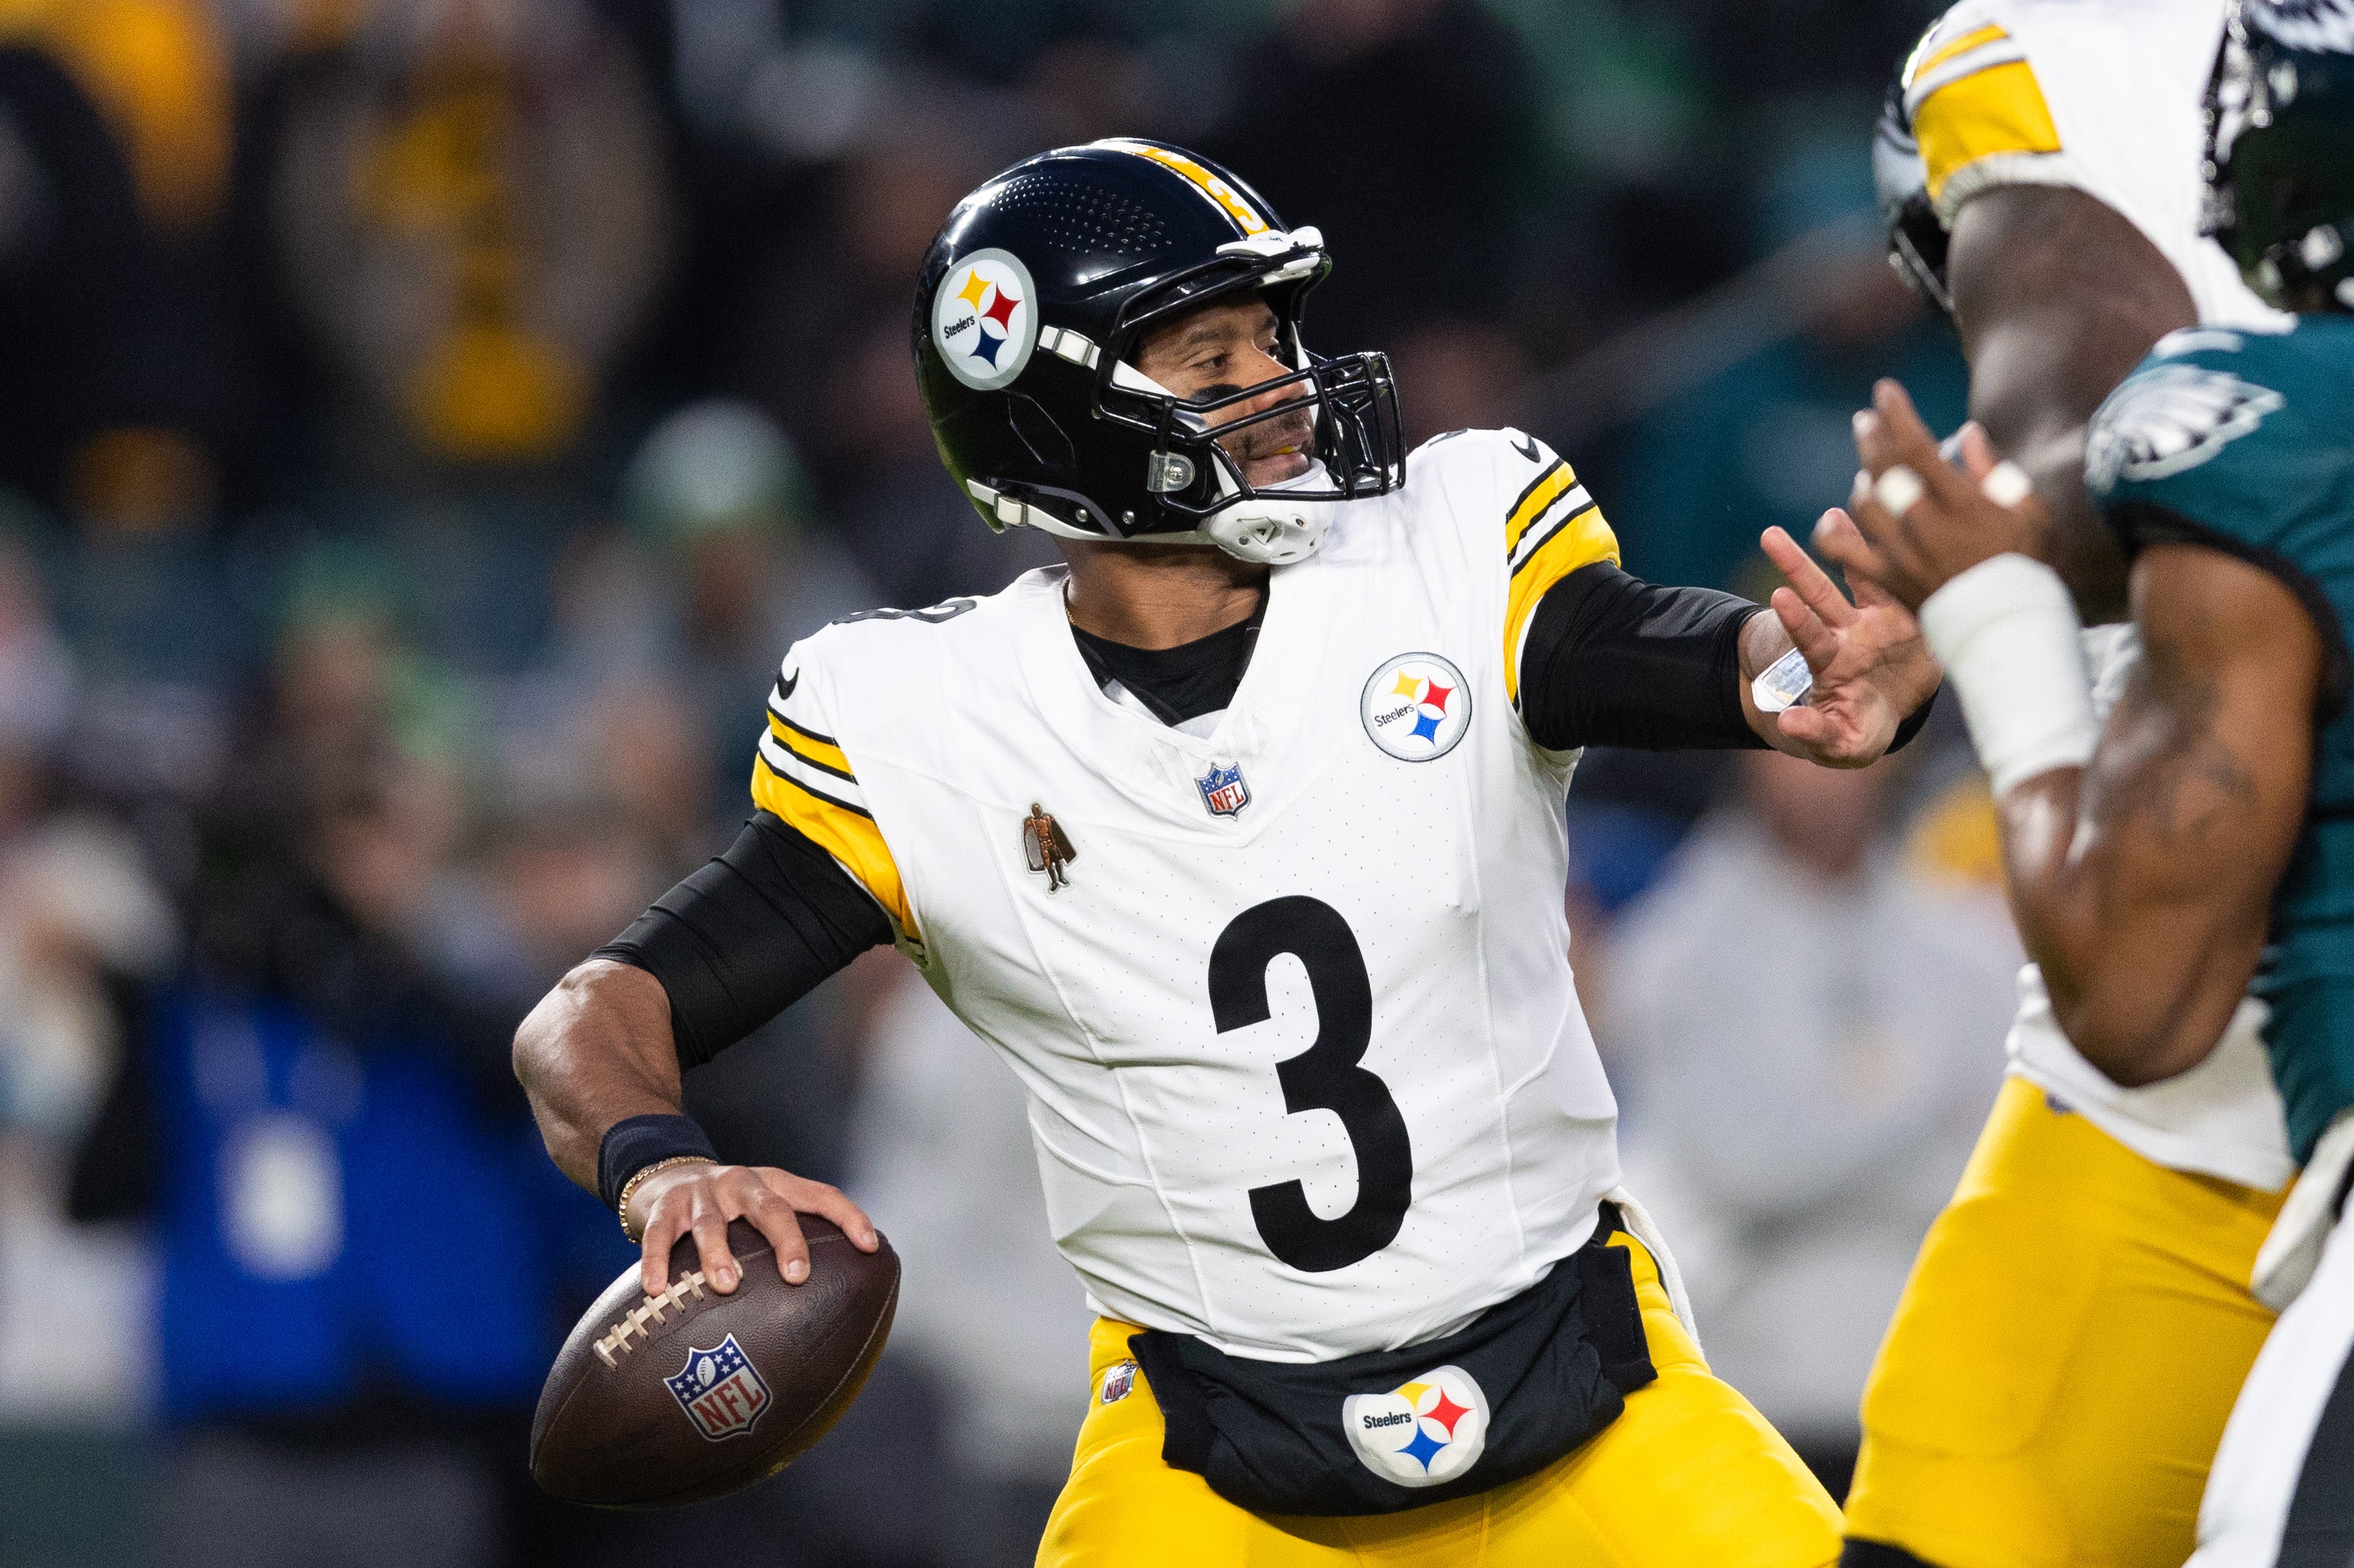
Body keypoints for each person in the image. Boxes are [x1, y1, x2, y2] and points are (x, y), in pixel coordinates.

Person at [514, 138, 1940, 1566]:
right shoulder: (932, 728)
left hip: (1593, 1403)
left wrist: (1788, 669)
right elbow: (592, 1014)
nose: (1278, 393)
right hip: (1214, 1470)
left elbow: (1649, 649)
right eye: (1211, 361)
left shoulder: (1447, 554)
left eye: (1272, 341)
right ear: (1059, 416)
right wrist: (660, 1171)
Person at [1823, 6, 2354, 1560]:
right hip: (2206, 1083)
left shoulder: (2048, 53)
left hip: (2179, 991)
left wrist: (1979, 588)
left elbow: (2086, 440)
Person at [1605, 746, 2016, 1498]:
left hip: (1938, 1396)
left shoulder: (1969, 941)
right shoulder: (1673, 949)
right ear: (1747, 756)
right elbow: (1743, 1170)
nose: (1827, 773)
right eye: (1794, 746)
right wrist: (1924, 1111)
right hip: (1760, 1402)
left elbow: (2002, 1174)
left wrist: (1825, 1134)